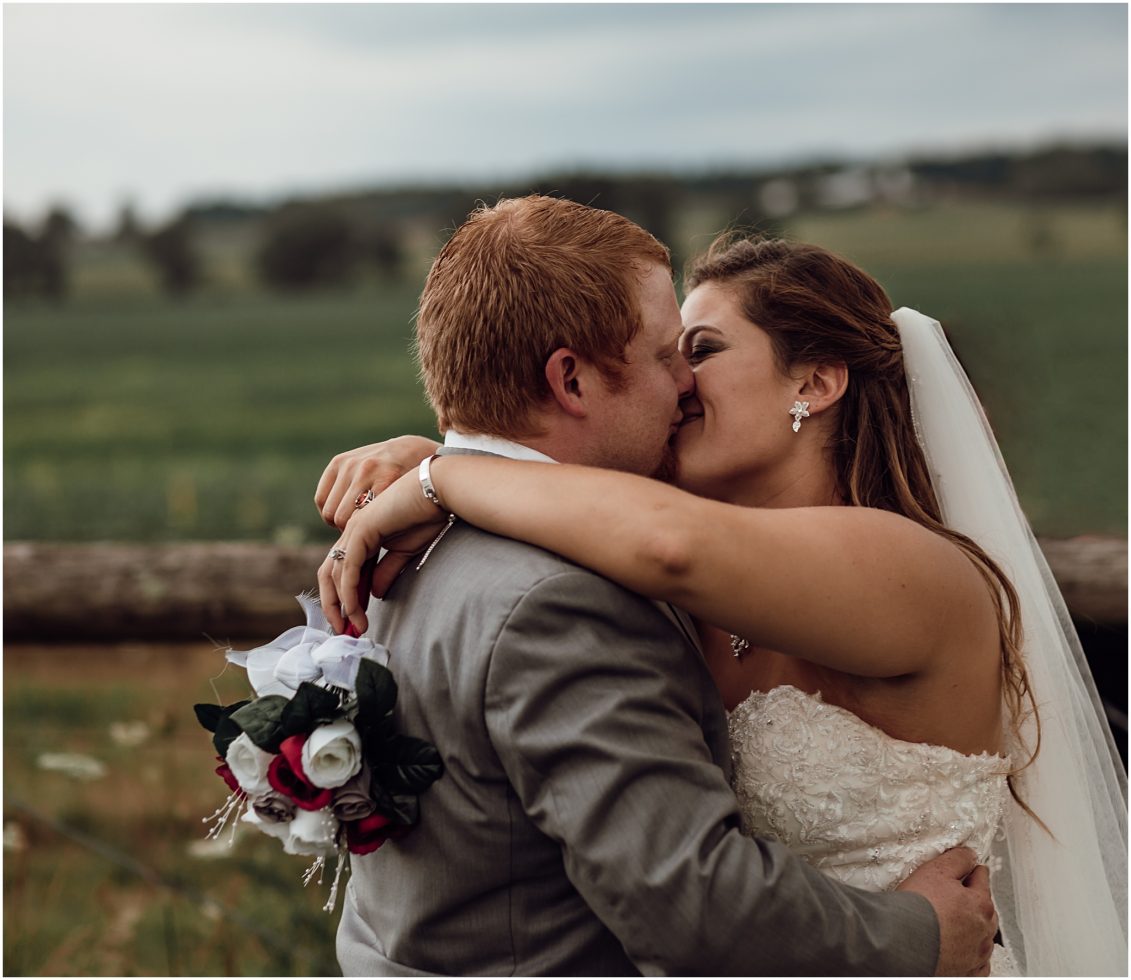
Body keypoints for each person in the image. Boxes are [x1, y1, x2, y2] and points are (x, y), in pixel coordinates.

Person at [320, 230, 1127, 976]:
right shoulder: (666, 585)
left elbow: (669, 542)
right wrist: (448, 449)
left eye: (697, 351)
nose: (675, 382)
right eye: (668, 355)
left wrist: (450, 473)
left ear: (812, 381)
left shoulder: (905, 564)